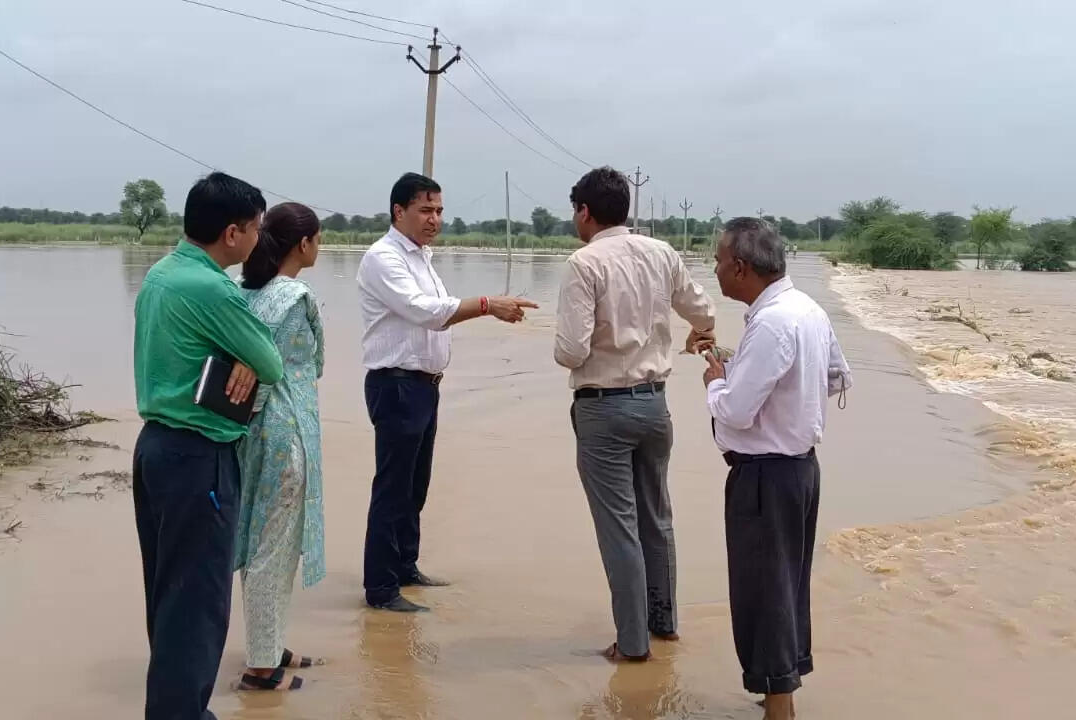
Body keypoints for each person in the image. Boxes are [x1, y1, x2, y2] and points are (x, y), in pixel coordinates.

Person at [131, 172, 285, 720]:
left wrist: (240, 355)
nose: (258, 239)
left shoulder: (162, 274)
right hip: (198, 457)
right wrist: (248, 357)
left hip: (156, 449)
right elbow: (272, 361)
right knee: (196, 602)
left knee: (169, 593)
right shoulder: (212, 288)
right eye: (255, 229)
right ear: (232, 233)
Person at [553, 166, 717, 661]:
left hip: (604, 408)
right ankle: (664, 625)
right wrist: (695, 335)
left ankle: (632, 645)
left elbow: (571, 350)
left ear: (584, 212)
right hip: (654, 403)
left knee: (619, 529)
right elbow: (704, 311)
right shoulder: (661, 253)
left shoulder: (584, 263)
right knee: (657, 518)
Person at [358, 172, 538, 612]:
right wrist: (486, 305)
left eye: (439, 210)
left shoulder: (422, 258)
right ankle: (380, 588)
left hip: (423, 386)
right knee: (393, 488)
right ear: (399, 211)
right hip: (396, 385)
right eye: (425, 210)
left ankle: (404, 565)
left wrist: (486, 307)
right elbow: (427, 312)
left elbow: (436, 312)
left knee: (415, 486)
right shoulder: (384, 258)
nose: (434, 219)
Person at [700, 218, 851, 719]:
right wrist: (783, 392)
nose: (716, 269)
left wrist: (716, 381)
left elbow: (737, 411)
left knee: (762, 590)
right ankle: (779, 691)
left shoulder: (770, 322)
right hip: (800, 470)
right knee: (786, 584)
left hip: (766, 474)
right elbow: (836, 377)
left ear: (741, 267)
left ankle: (779, 705)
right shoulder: (808, 308)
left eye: (719, 260)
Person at [234, 202, 327, 692]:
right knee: (274, 548)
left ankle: (269, 645)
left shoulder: (242, 291)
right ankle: (261, 668)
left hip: (249, 434)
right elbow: (313, 363)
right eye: (318, 239)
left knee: (260, 541)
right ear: (304, 244)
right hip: (286, 435)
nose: (319, 247)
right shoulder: (294, 298)